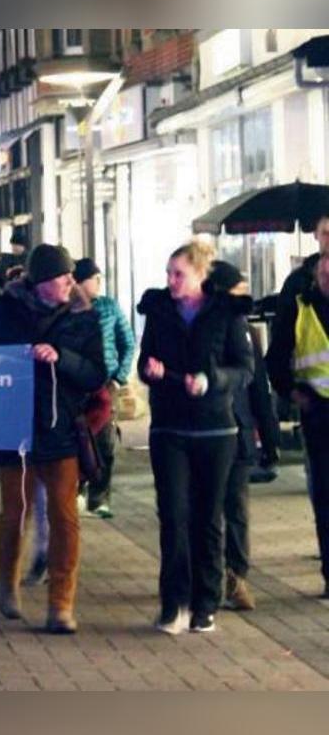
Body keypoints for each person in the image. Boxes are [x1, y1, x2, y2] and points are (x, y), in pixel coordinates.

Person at [0, 243, 107, 634]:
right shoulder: (4, 310)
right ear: (40, 282)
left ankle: (61, 604)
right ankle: (7, 582)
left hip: (62, 427)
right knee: (15, 513)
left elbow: (96, 373)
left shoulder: (84, 316)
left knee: (65, 517)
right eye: (61, 276)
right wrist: (10, 359)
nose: (70, 282)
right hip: (13, 424)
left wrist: (61, 357)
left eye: (70, 275)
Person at [138, 240, 253, 635]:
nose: (170, 281)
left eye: (179, 274)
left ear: (201, 274)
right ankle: (174, 604)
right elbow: (144, 359)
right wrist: (149, 370)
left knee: (208, 517)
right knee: (172, 515)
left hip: (216, 429)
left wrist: (212, 381)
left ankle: (205, 604)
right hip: (169, 427)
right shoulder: (158, 311)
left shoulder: (226, 314)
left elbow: (244, 369)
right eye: (168, 273)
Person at [208, 261, 278, 611]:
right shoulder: (202, 329)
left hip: (239, 434)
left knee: (235, 509)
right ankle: (203, 574)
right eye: (239, 290)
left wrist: (270, 439)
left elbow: (259, 392)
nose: (245, 296)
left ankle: (237, 578)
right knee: (206, 510)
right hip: (206, 433)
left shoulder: (249, 333)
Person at [267, 252, 329, 600]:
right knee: (325, 496)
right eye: (324, 276)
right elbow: (276, 357)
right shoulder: (301, 307)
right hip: (319, 412)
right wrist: (291, 392)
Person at [73, 258, 135, 518]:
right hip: (76, 385)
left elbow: (127, 342)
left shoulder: (110, 307)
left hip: (105, 384)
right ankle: (77, 489)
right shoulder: (69, 309)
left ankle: (100, 497)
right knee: (78, 438)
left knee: (105, 442)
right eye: (93, 278)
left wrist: (118, 378)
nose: (98, 283)